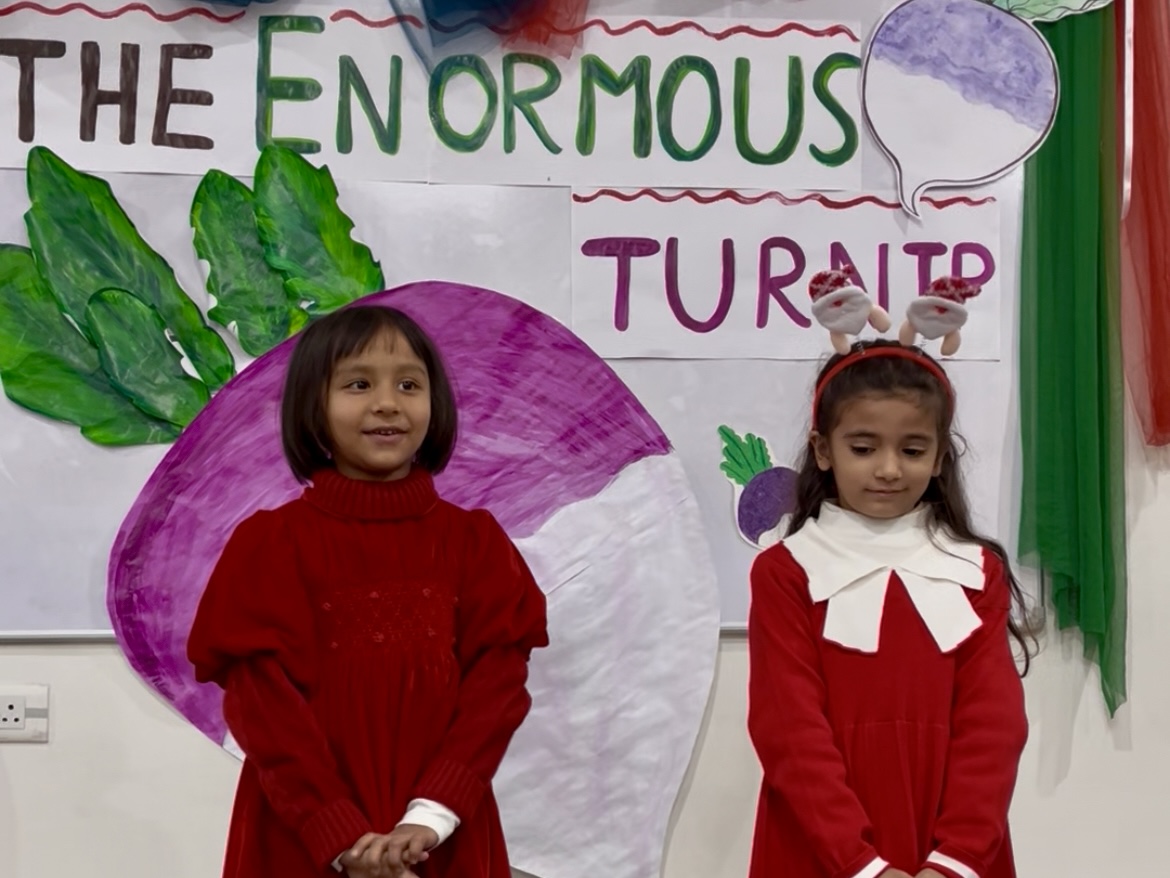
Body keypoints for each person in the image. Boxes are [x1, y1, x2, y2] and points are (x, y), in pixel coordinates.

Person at [187, 306, 549, 878]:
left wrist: (432, 815)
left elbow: (496, 689)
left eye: (409, 385)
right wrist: (338, 833)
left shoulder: (474, 542)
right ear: (312, 405)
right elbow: (262, 706)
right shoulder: (270, 544)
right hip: (303, 835)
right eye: (358, 385)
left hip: (440, 834)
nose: (387, 403)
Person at [747, 269, 1032, 878]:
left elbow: (995, 723)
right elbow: (788, 728)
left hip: (951, 845)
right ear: (823, 450)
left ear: (939, 457)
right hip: (823, 844)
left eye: (912, 450)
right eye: (862, 447)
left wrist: (955, 858)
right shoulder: (786, 571)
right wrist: (860, 862)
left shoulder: (975, 569)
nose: (887, 469)